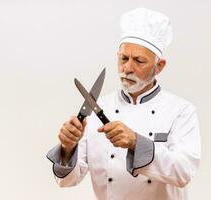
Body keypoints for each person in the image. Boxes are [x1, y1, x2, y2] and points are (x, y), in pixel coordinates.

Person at [46, 8, 201, 200]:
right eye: (123, 58)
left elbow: (183, 172)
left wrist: (136, 142)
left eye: (139, 61)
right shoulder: (98, 108)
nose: (127, 68)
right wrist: (68, 147)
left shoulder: (181, 111)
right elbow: (67, 181)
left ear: (159, 66)